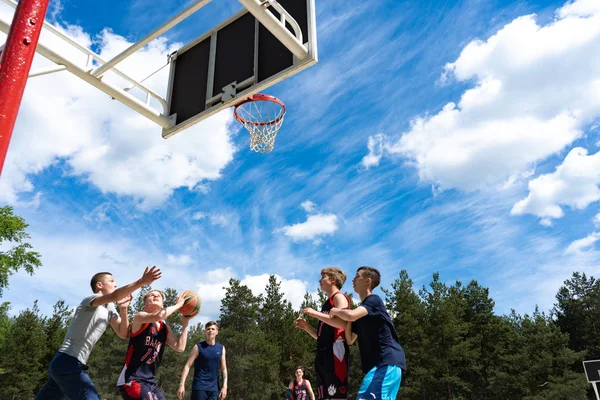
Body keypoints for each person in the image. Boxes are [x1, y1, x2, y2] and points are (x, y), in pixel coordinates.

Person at [35, 266, 162, 400]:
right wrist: (142, 281)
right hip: (68, 361)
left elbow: (123, 333)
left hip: (64, 364)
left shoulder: (110, 308)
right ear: (99, 285)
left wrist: (123, 309)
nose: (115, 284)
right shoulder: (90, 300)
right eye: (112, 281)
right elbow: (115, 295)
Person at [330, 266, 406, 400]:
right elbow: (350, 339)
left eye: (357, 276)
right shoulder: (361, 312)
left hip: (387, 361)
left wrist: (337, 311)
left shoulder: (374, 300)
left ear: (368, 281)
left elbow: (351, 315)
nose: (353, 279)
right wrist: (347, 318)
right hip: (379, 367)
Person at [117, 289, 195, 400]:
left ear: (163, 304)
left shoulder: (164, 328)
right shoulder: (140, 317)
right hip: (132, 378)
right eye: (151, 295)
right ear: (144, 305)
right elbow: (159, 316)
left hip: (150, 381)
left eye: (159, 295)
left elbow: (180, 347)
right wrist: (178, 305)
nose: (155, 296)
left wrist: (185, 323)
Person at [296, 267, 350, 399]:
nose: (320, 280)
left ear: (332, 279)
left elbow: (342, 323)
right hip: (323, 351)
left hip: (336, 351)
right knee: (324, 395)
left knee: (336, 395)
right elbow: (322, 337)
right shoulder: (326, 304)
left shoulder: (339, 297)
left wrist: (315, 314)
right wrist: (307, 328)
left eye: (323, 277)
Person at [177, 321, 228, 400]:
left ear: (217, 332)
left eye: (213, 329)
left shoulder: (221, 348)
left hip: (214, 389)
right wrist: (181, 385)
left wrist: (224, 387)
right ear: (205, 331)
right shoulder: (198, 347)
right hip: (199, 387)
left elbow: (224, 369)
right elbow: (187, 366)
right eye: (208, 329)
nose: (210, 330)